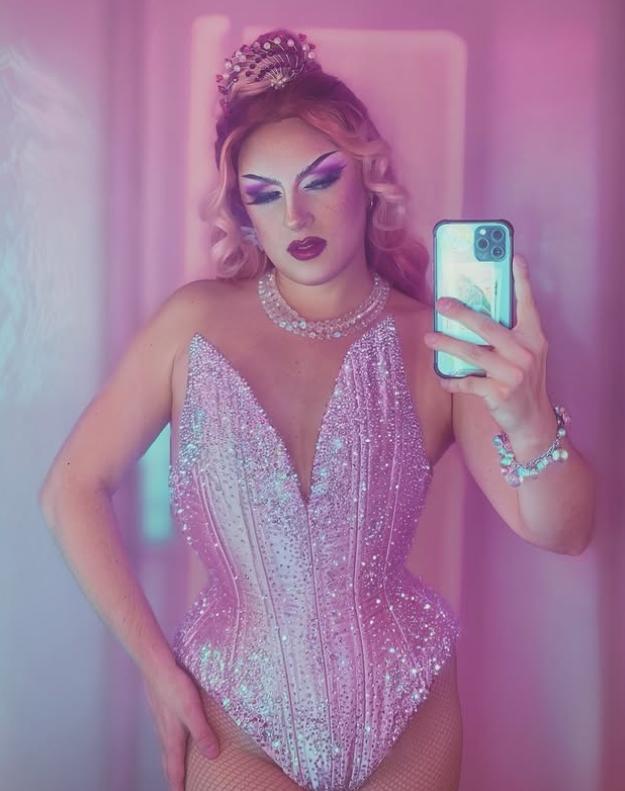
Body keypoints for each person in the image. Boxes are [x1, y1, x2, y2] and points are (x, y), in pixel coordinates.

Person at [39, 26, 584, 791]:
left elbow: (561, 528)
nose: (293, 216)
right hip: (233, 711)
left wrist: (528, 418)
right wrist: (158, 668)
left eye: (318, 180)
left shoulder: (433, 339)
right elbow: (69, 488)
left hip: (408, 707)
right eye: (263, 194)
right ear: (243, 211)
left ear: (367, 178)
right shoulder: (192, 323)